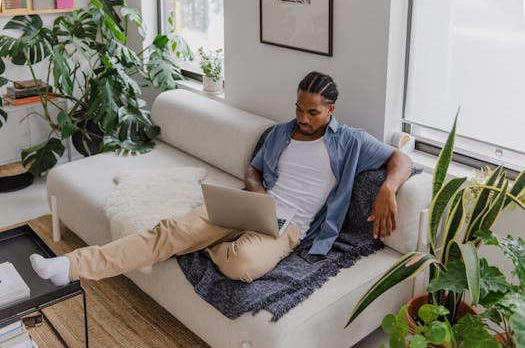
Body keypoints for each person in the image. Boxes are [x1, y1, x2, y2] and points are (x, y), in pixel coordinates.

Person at [30, 71, 412, 286]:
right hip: (250, 207)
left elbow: (401, 157)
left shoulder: (351, 141)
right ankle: (72, 266)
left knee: (242, 265)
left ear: (331, 110)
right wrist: (257, 193)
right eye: (298, 108)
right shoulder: (281, 133)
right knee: (167, 231)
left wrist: (388, 189)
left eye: (312, 112)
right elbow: (253, 169)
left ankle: (204, 244)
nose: (302, 118)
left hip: (291, 226)